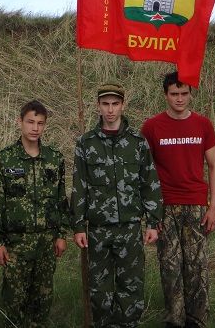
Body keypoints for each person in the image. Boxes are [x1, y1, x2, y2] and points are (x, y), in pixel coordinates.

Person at [72, 83, 163, 328]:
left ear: (123, 105)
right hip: (98, 230)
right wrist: (79, 226)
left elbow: (149, 182)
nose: (110, 110)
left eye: (115, 104)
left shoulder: (137, 142)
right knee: (99, 293)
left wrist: (153, 222)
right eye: (105, 104)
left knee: (131, 290)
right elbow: (79, 186)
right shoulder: (86, 143)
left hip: (130, 228)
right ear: (98, 106)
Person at [141, 72, 215, 328]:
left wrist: (213, 206)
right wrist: (151, 213)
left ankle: (196, 320)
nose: (179, 99)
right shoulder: (152, 127)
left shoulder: (203, 125)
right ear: (165, 95)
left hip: (196, 206)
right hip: (165, 207)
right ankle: (174, 320)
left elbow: (214, 165)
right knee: (170, 267)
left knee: (197, 268)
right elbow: (144, 169)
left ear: (190, 94)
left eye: (184, 94)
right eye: (174, 94)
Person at [0, 100, 69, 327]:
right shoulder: (4, 159)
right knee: (15, 300)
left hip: (46, 242)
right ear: (20, 122)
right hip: (16, 243)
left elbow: (61, 199)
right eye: (30, 122)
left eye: (40, 123)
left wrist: (62, 234)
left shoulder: (54, 159)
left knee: (42, 300)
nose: (35, 128)